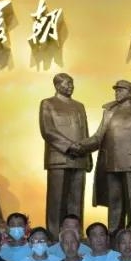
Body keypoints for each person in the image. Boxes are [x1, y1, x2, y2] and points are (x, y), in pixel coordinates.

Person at [81, 79, 131, 231]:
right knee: (114, 203)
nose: (117, 93)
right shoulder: (109, 112)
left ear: (130, 92)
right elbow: (98, 137)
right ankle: (114, 235)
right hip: (112, 164)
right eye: (116, 90)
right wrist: (79, 146)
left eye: (120, 90)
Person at [39, 73, 92, 235]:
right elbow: (48, 130)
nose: (70, 86)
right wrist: (69, 146)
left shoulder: (79, 106)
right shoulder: (48, 103)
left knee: (77, 201)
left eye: (72, 83)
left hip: (80, 158)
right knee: (57, 201)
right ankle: (55, 235)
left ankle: (76, 235)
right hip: (59, 157)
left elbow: (85, 132)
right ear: (57, 86)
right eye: (67, 83)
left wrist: (88, 156)